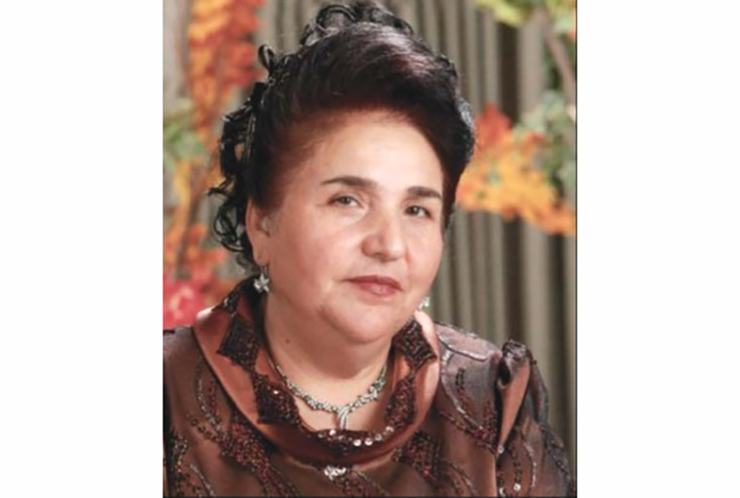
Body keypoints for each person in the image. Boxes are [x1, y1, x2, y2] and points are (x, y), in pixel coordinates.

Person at [163, 1, 574, 496]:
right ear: (261, 223)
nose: (390, 245)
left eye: (417, 210)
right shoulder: (164, 398)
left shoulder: (492, 402)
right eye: (348, 201)